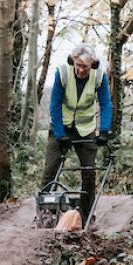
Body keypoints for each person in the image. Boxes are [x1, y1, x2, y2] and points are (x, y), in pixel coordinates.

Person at [42, 44, 112, 226]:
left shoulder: (99, 76)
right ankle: (46, 212)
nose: (81, 70)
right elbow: (55, 105)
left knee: (89, 172)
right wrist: (59, 134)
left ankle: (87, 214)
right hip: (62, 126)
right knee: (51, 170)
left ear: (92, 66)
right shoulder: (63, 73)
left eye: (85, 67)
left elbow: (105, 103)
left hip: (85, 127)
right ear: (73, 62)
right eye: (78, 65)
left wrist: (104, 131)